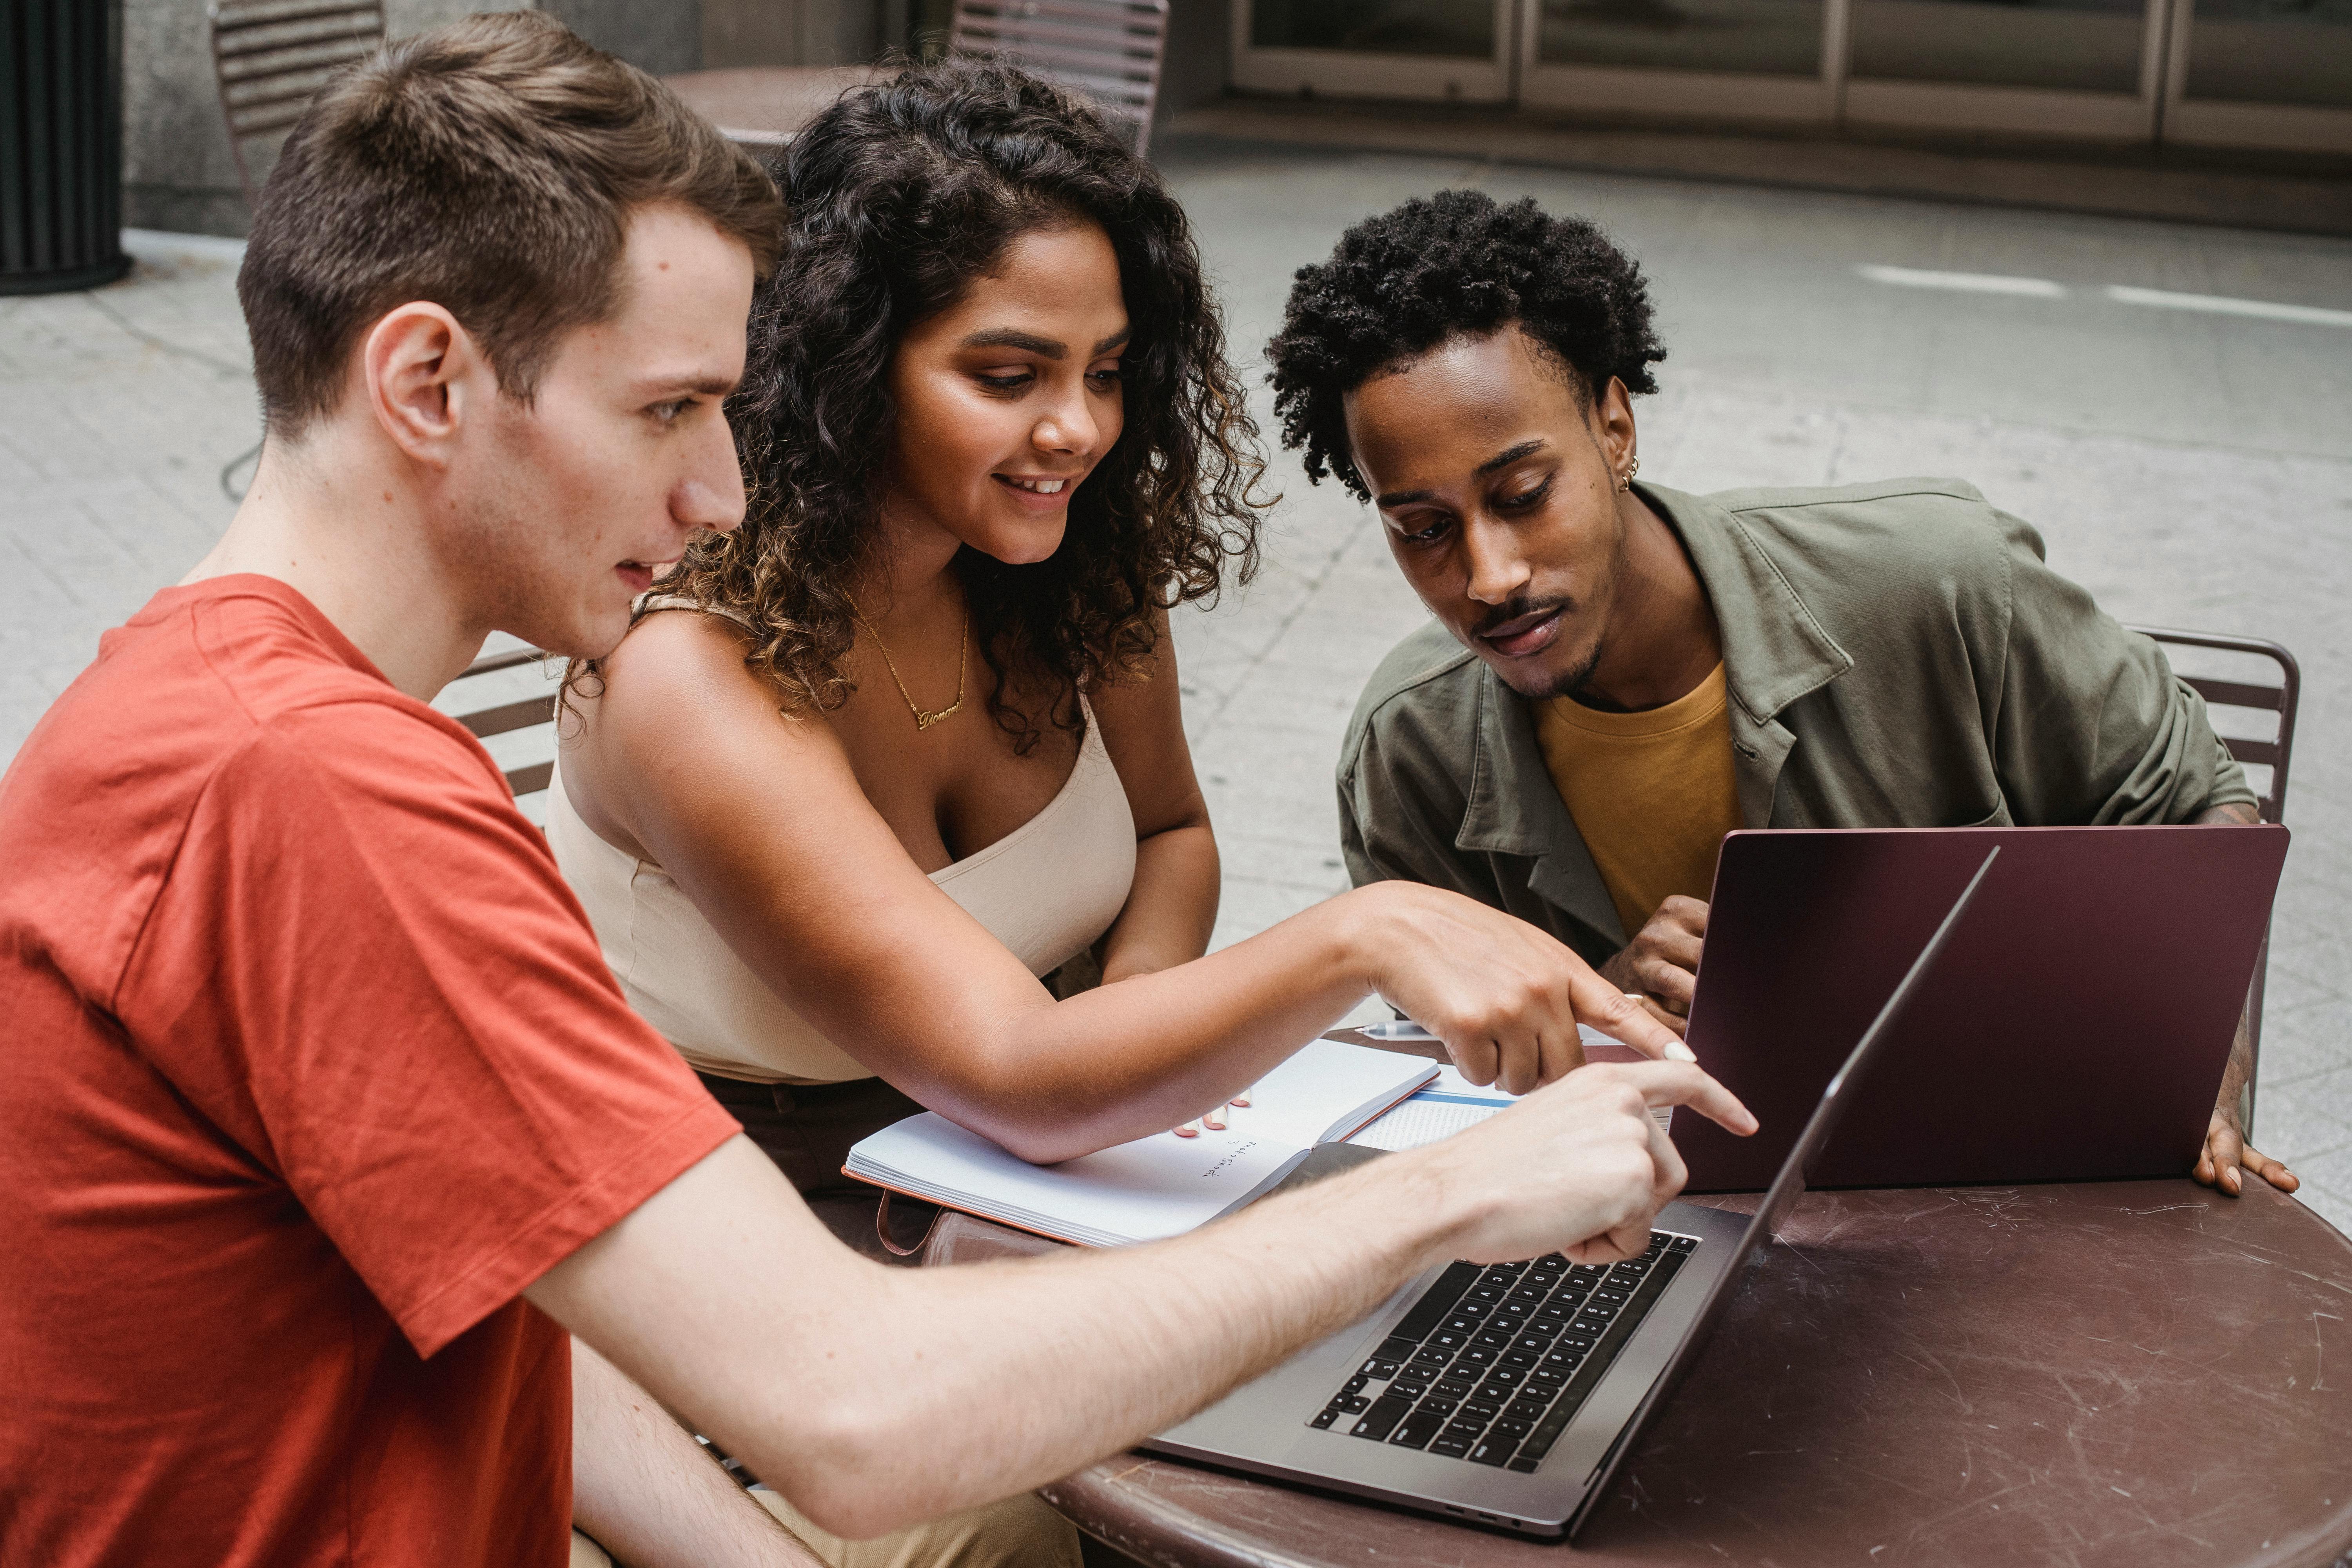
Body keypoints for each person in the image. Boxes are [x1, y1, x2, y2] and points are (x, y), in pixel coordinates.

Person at [0, 21, 1757, 1568]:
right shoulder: (316, 794)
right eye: (673, 407)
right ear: (428, 382)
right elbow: (851, 1414)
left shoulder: (218, 717)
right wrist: (1454, 1196)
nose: (713, 492)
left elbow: (517, 1315)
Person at [552, 59, 1671, 1263]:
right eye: (1007, 376)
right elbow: (1018, 1075)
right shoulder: (690, 677)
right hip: (748, 1223)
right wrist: (1371, 932)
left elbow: (1169, 835)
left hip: (1061, 1164)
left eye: (1104, 371)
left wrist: (1130, 1030)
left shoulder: (1072, 568)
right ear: (849, 365)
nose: (1079, 430)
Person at [1262, 189, 2288, 1202]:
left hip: (2010, 1188)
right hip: (1658, 1234)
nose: (1490, 576)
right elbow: (1441, 1102)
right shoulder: (1409, 755)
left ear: (1615, 429)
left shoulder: (1938, 579)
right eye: (1423, 530)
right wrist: (1597, 1016)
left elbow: (2204, 814)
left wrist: (2205, 1076)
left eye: (1523, 497)